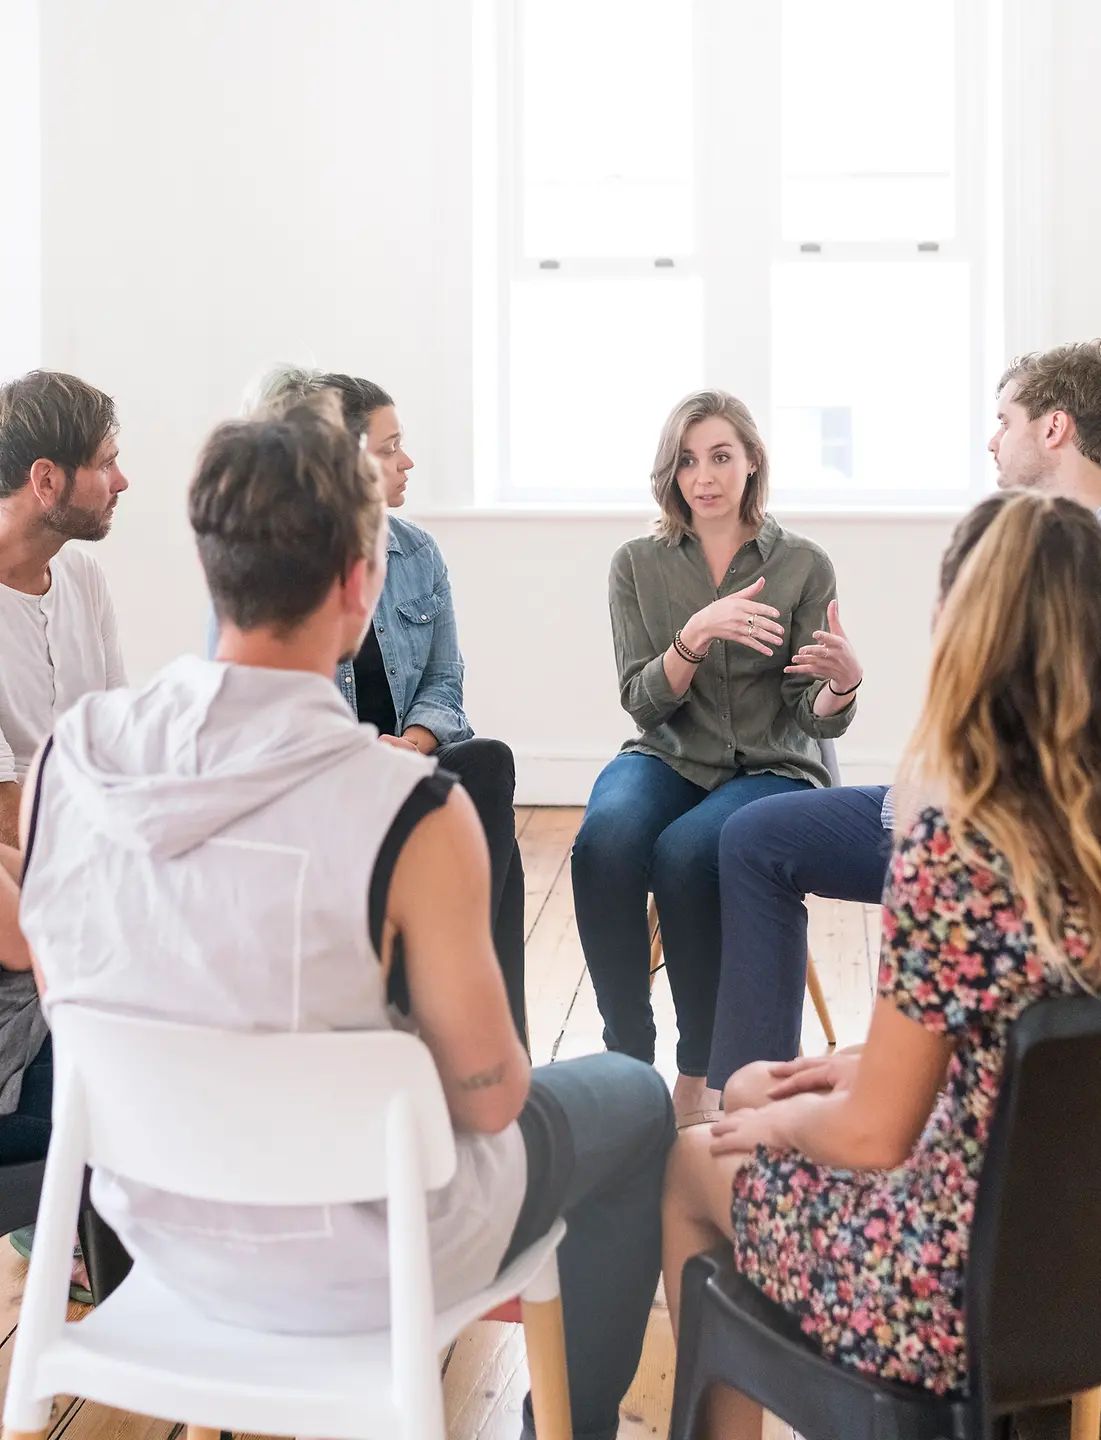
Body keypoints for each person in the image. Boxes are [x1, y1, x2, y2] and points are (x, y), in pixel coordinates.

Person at [19, 398, 674, 1440]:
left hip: (158, 1238)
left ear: (208, 566)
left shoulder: (77, 755)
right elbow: (495, 1098)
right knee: (640, 1101)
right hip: (369, 1264)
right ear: (360, 583)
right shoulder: (410, 811)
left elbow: (64, 980)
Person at [662, 491, 1101, 1439]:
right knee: (767, 1084)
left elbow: (872, 1139)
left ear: (959, 627)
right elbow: (1047, 1023)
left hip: (955, 1292)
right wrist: (827, 1077)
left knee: (697, 1157)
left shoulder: (961, 844)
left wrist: (794, 1112)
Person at [707, 340, 1101, 1091]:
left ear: (1054, 429)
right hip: (955, 817)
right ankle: (750, 1094)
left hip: (1036, 855)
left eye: (1005, 419)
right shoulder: (1015, 544)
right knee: (754, 838)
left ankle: (828, 1102)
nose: (992, 438)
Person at [573, 390, 861, 1123]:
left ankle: (695, 1074)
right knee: (603, 841)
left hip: (770, 764)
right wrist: (693, 636)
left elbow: (810, 716)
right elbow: (643, 702)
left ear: (752, 461)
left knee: (687, 853)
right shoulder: (637, 565)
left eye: (722, 456)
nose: (704, 476)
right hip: (668, 751)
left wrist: (841, 685)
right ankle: (624, 1058)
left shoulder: (801, 565)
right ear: (670, 473)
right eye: (689, 460)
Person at [228, 365, 529, 1046]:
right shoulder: (277, 569)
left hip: (406, 763)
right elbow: (259, 703)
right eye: (389, 448)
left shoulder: (417, 553)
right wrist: (361, 757)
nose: (407, 461)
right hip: (320, 779)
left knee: (485, 763)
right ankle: (458, 1020)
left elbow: (446, 684)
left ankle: (485, 1023)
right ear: (342, 465)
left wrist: (411, 745)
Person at [0, 369, 128, 1173]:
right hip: (34, 903)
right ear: (46, 481)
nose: (122, 480)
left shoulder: (82, 576)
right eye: (107, 462)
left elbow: (117, 749)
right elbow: (9, 817)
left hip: (80, 869)